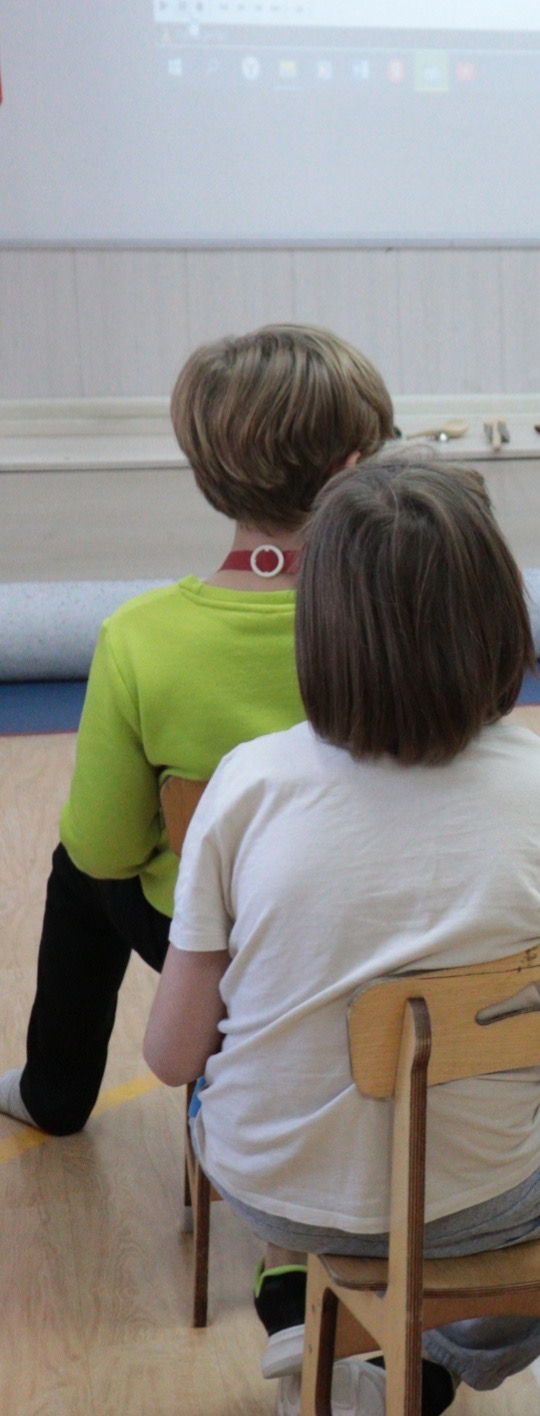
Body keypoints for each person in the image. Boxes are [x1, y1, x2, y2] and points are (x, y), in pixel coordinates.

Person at [142, 454, 540, 1416]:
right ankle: (423, 1370)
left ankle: (298, 1294)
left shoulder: (246, 782)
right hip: (473, 1203)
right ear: (502, 615)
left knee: (288, 1081)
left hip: (268, 1180)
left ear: (317, 626)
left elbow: (171, 1055)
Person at [0, 326, 393, 1139]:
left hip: (220, 943)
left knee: (78, 869)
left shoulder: (140, 635)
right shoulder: (410, 611)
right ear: (354, 468)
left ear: (209, 473)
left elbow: (106, 849)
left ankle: (54, 1091)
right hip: (388, 924)